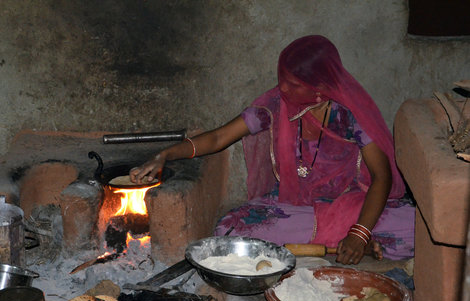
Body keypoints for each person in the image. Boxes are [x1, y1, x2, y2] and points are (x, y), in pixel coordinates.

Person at [129, 35, 414, 265]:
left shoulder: (348, 114)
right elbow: (218, 138)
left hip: (348, 204)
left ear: (320, 88)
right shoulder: (275, 106)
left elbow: (382, 177)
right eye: (283, 79)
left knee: (414, 227)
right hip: (295, 206)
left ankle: (341, 243)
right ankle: (336, 246)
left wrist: (360, 232)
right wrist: (166, 154)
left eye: (294, 84)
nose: (283, 88)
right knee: (228, 231)